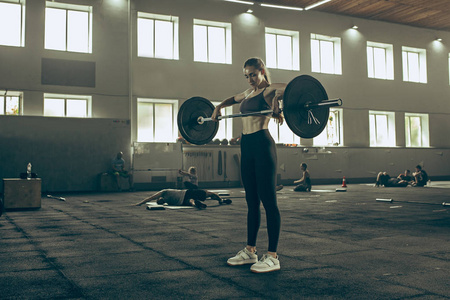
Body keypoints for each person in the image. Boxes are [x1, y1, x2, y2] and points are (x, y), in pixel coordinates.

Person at [211, 57, 285, 273]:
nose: (250, 79)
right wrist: (219, 106)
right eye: (247, 75)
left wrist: (275, 102)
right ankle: (250, 250)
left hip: (262, 144)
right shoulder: (248, 93)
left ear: (262, 71)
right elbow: (232, 98)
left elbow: (288, 88)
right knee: (251, 201)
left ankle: (272, 256)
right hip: (247, 147)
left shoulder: (268, 90)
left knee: (269, 201)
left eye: (253, 74)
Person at [134, 189, 230, 208]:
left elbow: (150, 198)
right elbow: (151, 198)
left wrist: (140, 203)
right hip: (184, 198)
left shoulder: (163, 192)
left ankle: (221, 200)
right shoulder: (168, 202)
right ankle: (197, 203)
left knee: (209, 193)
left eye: (158, 200)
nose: (159, 201)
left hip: (186, 193)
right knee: (191, 201)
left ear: (159, 199)